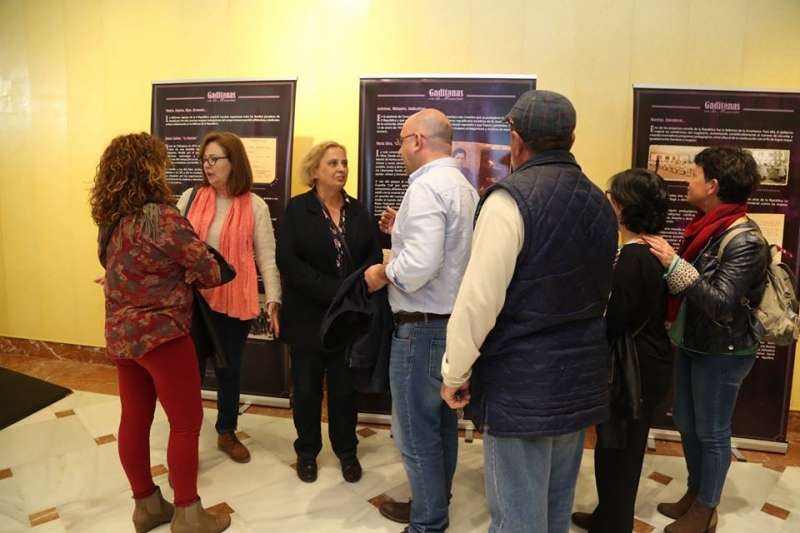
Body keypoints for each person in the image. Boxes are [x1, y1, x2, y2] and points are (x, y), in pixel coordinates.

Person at [439, 90, 618, 533]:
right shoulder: (600, 203)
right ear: (571, 139)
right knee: (555, 510)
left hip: (520, 381)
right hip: (579, 376)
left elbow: (479, 300)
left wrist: (455, 371)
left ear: (516, 140)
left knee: (518, 519)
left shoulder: (509, 200)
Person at [90, 132, 232, 533]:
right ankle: (188, 513)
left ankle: (147, 506)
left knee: (134, 419)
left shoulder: (111, 223)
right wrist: (185, 271)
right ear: (150, 169)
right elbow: (209, 270)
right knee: (186, 422)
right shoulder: (162, 218)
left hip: (122, 337)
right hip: (163, 336)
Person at [364, 108, 479, 532]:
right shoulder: (463, 187)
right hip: (452, 325)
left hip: (421, 328)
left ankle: (428, 522)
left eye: (401, 142)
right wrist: (402, 230)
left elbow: (421, 265)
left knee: (415, 432)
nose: (399, 151)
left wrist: (383, 273)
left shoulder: (427, 186)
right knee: (442, 424)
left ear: (416, 140)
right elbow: (449, 251)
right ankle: (434, 504)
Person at [643, 146, 768, 533]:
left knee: (712, 431)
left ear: (713, 185)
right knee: (686, 420)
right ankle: (695, 492)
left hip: (723, 350)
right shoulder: (707, 229)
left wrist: (673, 264)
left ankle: (706, 508)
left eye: (694, 174)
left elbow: (720, 303)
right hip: (694, 341)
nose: (688, 181)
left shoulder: (745, 240)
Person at [571, 169, 673, 532]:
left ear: (624, 206)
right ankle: (608, 516)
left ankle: (614, 523)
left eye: (611, 197)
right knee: (616, 448)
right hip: (643, 363)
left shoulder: (634, 257)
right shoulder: (646, 251)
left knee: (619, 452)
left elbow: (616, 319)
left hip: (633, 369)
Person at [277, 141, 382, 483]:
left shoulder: (358, 211)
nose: (341, 169)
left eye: (344, 163)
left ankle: (346, 451)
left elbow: (372, 256)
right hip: (307, 317)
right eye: (333, 163)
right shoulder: (297, 208)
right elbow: (287, 261)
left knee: (344, 391)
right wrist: (335, 290)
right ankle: (307, 451)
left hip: (346, 320)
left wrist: (350, 291)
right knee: (306, 390)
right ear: (315, 171)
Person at [177, 131, 281, 464]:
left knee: (229, 370)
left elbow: (266, 257)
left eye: (214, 159)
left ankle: (226, 431)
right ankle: (186, 434)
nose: (207, 166)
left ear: (233, 161)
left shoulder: (255, 205)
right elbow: (170, 246)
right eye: (204, 159)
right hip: (194, 300)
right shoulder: (191, 198)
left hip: (234, 299)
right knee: (190, 372)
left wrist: (274, 299)